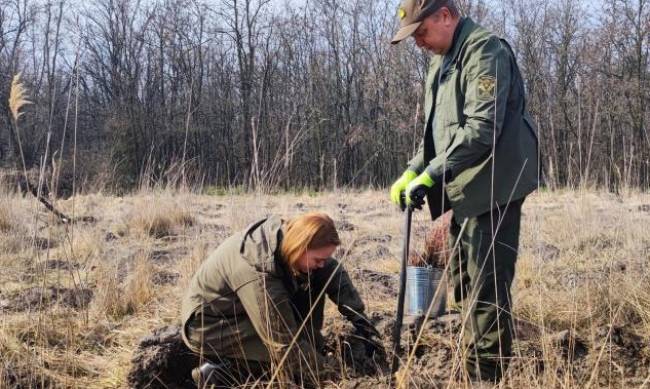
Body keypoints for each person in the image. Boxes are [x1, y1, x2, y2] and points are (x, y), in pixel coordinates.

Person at [389, 0, 541, 383]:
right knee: (464, 280)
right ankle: (472, 361)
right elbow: (438, 134)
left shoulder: (484, 50)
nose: (419, 43)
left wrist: (434, 173)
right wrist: (413, 170)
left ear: (444, 15)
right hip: (463, 184)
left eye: (421, 32)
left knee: (487, 284)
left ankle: (487, 377)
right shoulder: (441, 61)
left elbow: (481, 128)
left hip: (494, 185)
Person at [180, 212, 380, 387]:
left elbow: (332, 271)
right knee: (286, 363)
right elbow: (283, 343)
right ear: (299, 247)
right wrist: (333, 380)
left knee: (306, 344)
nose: (322, 264)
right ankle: (219, 373)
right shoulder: (259, 272)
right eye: (318, 259)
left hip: (243, 308)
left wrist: (362, 323)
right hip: (211, 324)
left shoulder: (289, 238)